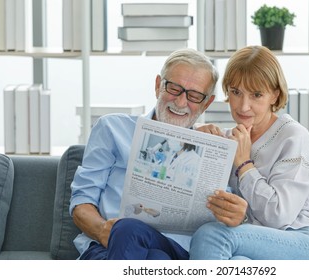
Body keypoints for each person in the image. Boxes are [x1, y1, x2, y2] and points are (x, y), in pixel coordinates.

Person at [69, 48, 219, 260]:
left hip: (176, 248)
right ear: (158, 85)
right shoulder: (111, 128)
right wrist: (103, 229)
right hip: (110, 244)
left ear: (206, 103)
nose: (180, 102)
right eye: (174, 88)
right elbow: (81, 202)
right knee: (137, 240)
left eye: (194, 96)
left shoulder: (214, 147)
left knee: (135, 234)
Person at [190, 45, 309, 260]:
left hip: (307, 243)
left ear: (274, 96)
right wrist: (196, 143)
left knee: (213, 236)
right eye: (236, 92)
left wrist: (244, 165)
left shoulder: (294, 136)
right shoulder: (229, 138)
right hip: (256, 241)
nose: (244, 106)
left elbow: (279, 217)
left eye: (256, 95)